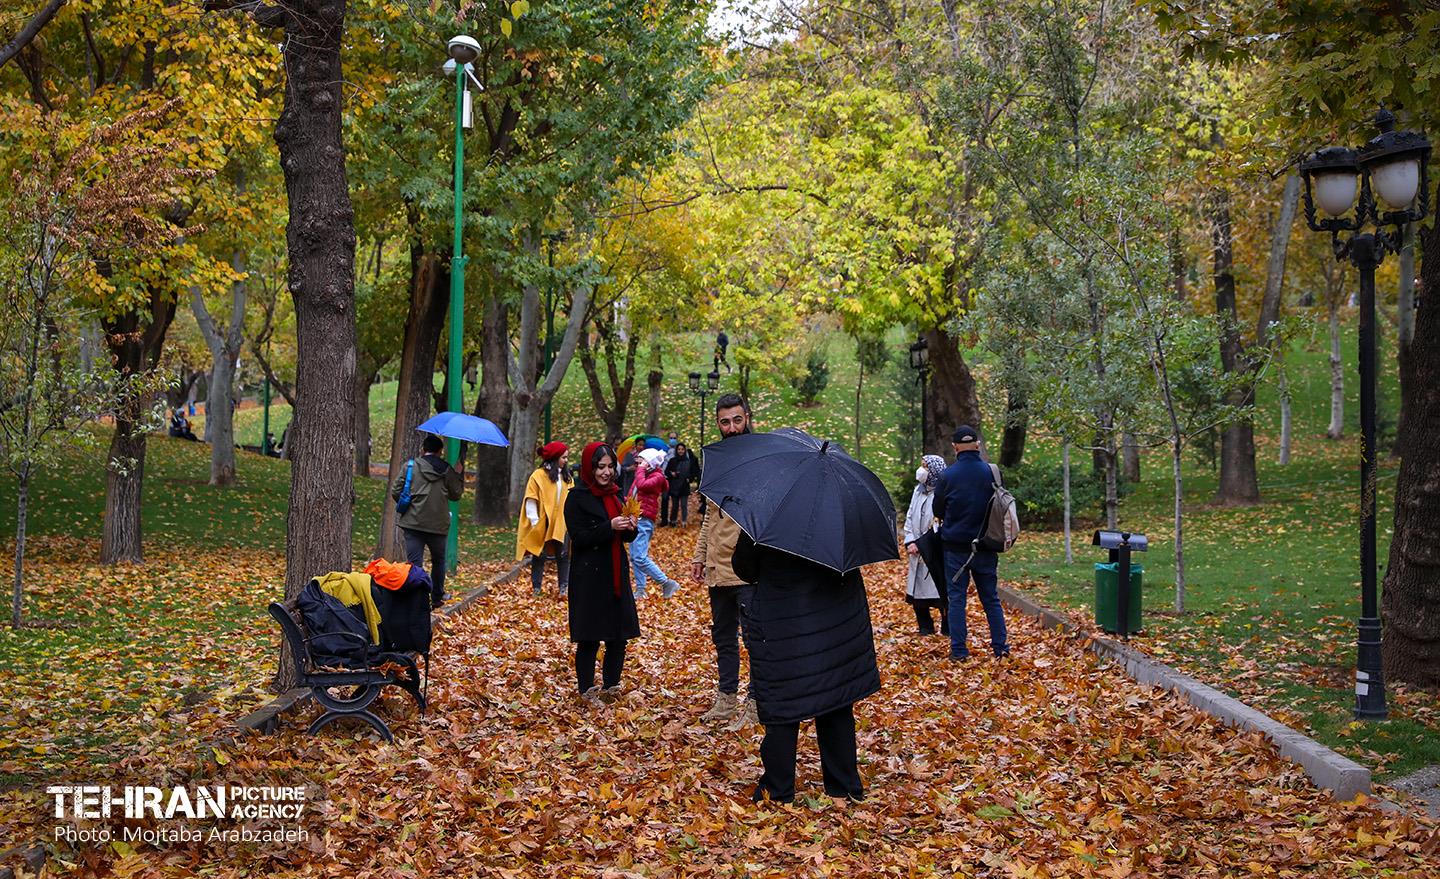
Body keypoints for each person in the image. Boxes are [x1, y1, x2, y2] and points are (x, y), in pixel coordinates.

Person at [732, 532, 879, 804]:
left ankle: (777, 790)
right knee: (836, 700)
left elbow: (744, 568)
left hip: (783, 623)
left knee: (782, 705)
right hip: (834, 618)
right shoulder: (838, 516)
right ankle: (844, 786)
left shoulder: (767, 519)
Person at [691, 393, 757, 725]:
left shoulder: (760, 458)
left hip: (747, 567)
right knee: (723, 636)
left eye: (736, 420)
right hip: (718, 568)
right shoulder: (716, 461)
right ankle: (726, 697)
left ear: (747, 417)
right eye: (724, 422)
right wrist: (700, 555)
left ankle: (757, 701)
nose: (731, 428)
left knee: (755, 637)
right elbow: (709, 515)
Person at [564, 442, 641, 701]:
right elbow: (579, 537)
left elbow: (627, 537)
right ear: (589, 467)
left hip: (615, 572)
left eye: (610, 466)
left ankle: (612, 686)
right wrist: (609, 526)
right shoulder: (577, 497)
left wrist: (630, 526)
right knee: (590, 635)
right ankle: (586, 689)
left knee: (618, 635)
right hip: (589, 576)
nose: (606, 472)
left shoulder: (616, 495)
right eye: (600, 467)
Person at [932, 425, 1010, 661]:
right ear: (977, 445)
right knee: (991, 599)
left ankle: (959, 651)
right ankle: (1001, 648)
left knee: (956, 599)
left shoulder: (948, 476)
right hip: (987, 545)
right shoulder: (993, 473)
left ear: (955, 448)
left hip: (955, 548)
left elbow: (938, 509)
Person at [390, 434, 464, 608]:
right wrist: (458, 474)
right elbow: (456, 494)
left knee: (415, 563)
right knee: (439, 561)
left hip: (413, 524)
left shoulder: (411, 466)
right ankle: (436, 596)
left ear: (423, 449)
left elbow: (396, 490)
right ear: (440, 451)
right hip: (438, 526)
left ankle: (417, 599)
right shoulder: (447, 470)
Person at [516, 441, 572, 598]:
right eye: (563, 457)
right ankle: (537, 587)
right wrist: (535, 521)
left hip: (561, 521)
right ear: (555, 458)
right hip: (542, 521)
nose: (566, 461)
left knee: (563, 554)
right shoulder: (538, 476)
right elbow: (531, 499)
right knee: (539, 554)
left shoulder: (566, 477)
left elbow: (571, 497)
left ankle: (564, 586)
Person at [904, 454, 950, 636]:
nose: (921, 470)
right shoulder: (918, 491)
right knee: (917, 591)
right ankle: (925, 626)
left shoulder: (943, 493)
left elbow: (941, 521)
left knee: (940, 589)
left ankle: (948, 627)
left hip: (935, 548)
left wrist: (923, 543)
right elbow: (910, 516)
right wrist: (910, 540)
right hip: (916, 549)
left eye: (926, 466)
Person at [628, 448, 680, 599]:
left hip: (644, 520)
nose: (638, 464)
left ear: (649, 463)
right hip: (635, 518)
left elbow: (642, 485)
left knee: (639, 557)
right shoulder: (644, 474)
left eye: (642, 461)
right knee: (634, 556)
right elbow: (633, 494)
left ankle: (666, 582)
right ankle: (641, 589)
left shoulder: (657, 477)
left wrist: (641, 470)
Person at [662, 442, 698, 527]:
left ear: (685, 450)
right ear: (676, 450)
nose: (680, 451)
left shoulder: (688, 461)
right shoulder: (672, 461)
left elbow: (694, 472)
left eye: (682, 449)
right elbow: (667, 471)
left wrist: (690, 479)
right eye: (679, 449)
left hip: (684, 486)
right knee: (675, 505)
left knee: (684, 505)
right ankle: (673, 521)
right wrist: (672, 474)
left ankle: (684, 521)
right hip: (674, 485)